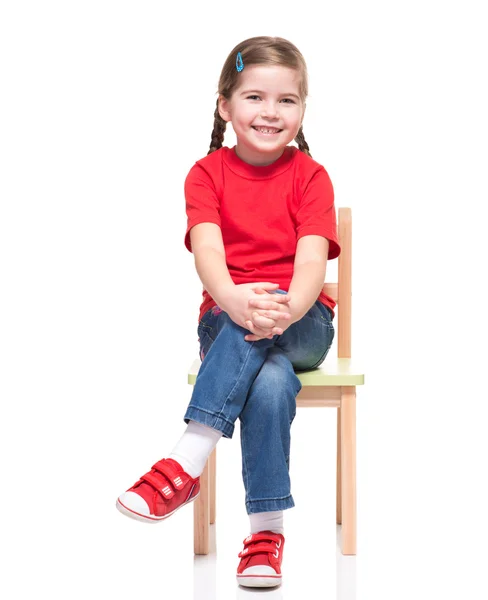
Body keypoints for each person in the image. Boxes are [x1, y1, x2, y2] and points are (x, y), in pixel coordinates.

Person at [116, 35, 341, 588]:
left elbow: (312, 264)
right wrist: (236, 300)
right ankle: (267, 533)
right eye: (255, 98)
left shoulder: (311, 177)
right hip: (228, 319)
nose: (270, 112)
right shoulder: (205, 173)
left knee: (267, 341)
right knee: (269, 381)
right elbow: (209, 254)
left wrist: (285, 308)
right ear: (225, 106)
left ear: (302, 109)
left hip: (303, 322)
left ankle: (186, 458)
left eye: (287, 100)